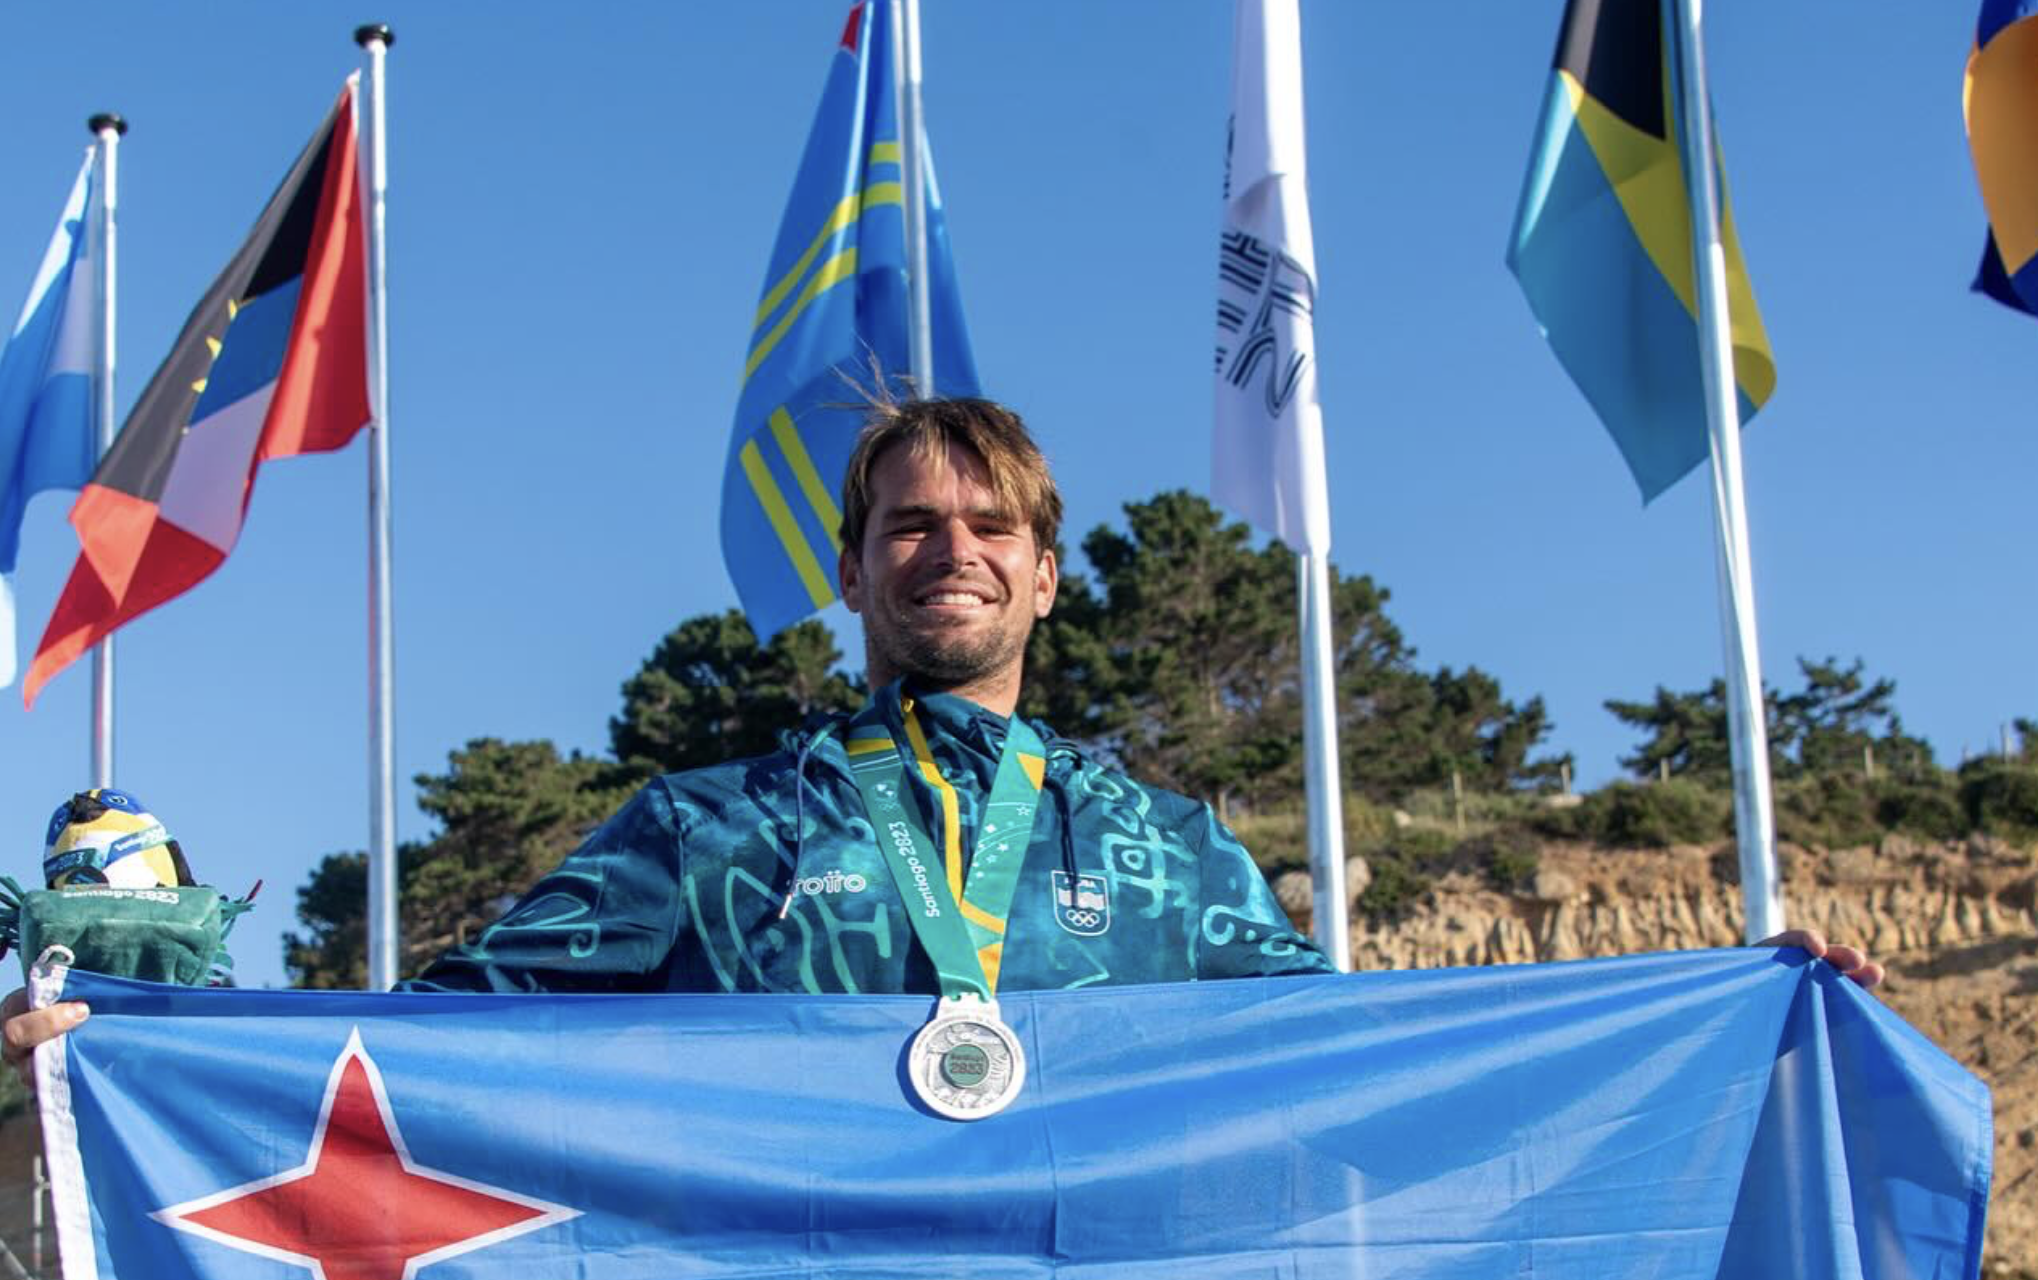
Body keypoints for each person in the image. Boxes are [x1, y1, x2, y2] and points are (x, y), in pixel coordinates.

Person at [1, 396, 1878, 1069]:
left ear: (1046, 577)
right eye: (909, 525)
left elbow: (1361, 1055)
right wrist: (147, 1037)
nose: (949, 551)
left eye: (990, 527)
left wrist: (1734, 1003)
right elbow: (438, 1036)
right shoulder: (710, 826)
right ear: (854, 569)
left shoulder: (1162, 849)